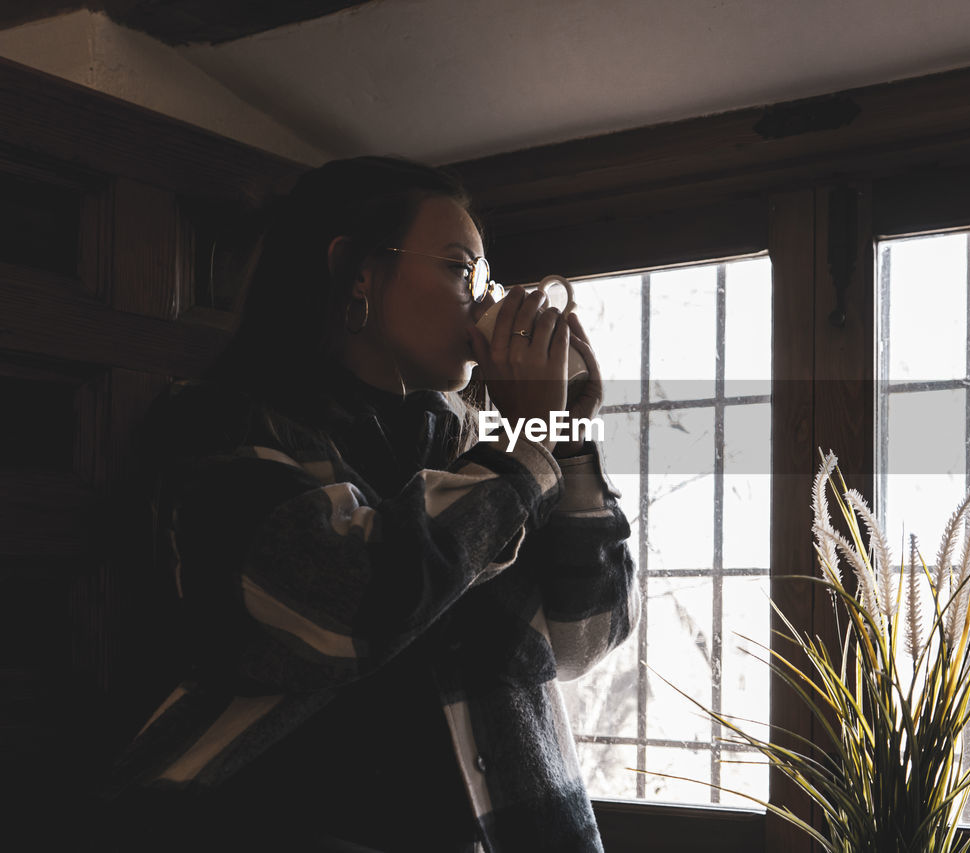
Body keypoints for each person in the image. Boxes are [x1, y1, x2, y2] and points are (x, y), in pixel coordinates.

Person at [98, 156, 638, 852]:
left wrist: (565, 436)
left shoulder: (472, 453)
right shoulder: (215, 430)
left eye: (485, 276)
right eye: (459, 267)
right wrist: (520, 458)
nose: (482, 300)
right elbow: (345, 600)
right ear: (356, 272)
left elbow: (583, 634)